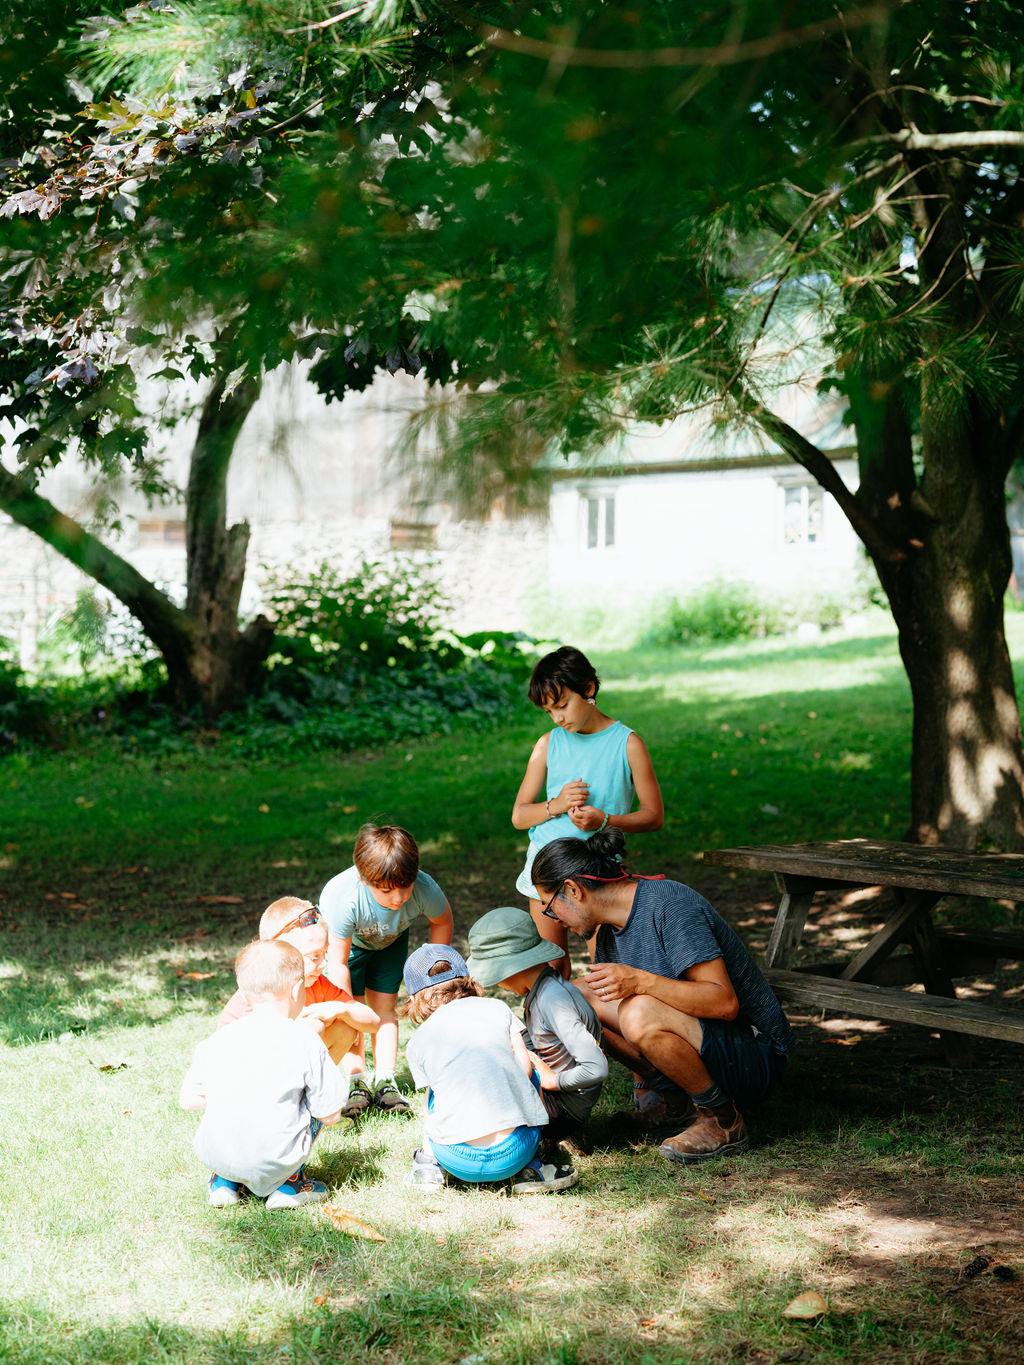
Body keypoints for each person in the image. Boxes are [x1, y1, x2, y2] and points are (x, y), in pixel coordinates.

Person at [532, 829, 797, 1164]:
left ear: (573, 890)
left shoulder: (670, 905)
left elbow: (724, 1003)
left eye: (551, 908)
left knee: (638, 1011)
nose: (554, 920)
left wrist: (641, 982)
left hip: (754, 1057)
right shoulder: (609, 933)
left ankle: (722, 1120)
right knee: (576, 996)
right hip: (708, 1047)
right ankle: (679, 1106)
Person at [511, 645, 664, 977]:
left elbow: (653, 816)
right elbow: (520, 816)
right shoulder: (548, 744)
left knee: (607, 970)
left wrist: (605, 820)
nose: (558, 718)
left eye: (562, 705)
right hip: (545, 872)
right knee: (551, 970)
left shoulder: (628, 744)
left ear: (589, 689)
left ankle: (604, 1030)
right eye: (549, 711)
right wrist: (557, 805)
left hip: (597, 875)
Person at [180, 939, 349, 1208]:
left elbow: (189, 1100)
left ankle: (224, 1182)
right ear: (297, 989)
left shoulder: (219, 1039)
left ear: (245, 994)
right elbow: (330, 1114)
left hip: (217, 1154)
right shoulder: (304, 1040)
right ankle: (290, 1185)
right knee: (316, 1104)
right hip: (278, 1158)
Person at [400, 943, 578, 1193]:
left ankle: (428, 1167)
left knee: (434, 1094)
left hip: (455, 1158)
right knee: (533, 1069)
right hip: (514, 1153)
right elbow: (525, 1070)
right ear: (467, 981)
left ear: (413, 998)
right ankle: (534, 1168)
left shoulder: (418, 1040)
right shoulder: (497, 1008)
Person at [321, 824, 454, 1115]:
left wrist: (435, 973)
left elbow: (442, 921)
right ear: (363, 879)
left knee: (385, 1008)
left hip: (390, 944)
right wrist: (346, 1007)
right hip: (348, 951)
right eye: (385, 891)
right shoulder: (344, 899)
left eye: (404, 888)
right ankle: (356, 1080)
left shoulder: (423, 888)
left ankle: (385, 1080)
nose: (397, 898)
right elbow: (338, 961)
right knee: (354, 1010)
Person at [217, 896, 381, 1117]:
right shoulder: (257, 992)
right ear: (280, 954)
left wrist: (340, 1008)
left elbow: (373, 1023)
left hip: (283, 1072)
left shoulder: (319, 984)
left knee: (347, 1027)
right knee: (313, 1029)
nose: (323, 964)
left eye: (325, 953)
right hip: (247, 1085)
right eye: (314, 957)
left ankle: (305, 1101)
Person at [466, 906, 607, 1154]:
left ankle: (547, 1139)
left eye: (496, 975)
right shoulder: (541, 990)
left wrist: (554, 1081)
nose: (499, 983)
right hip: (557, 1101)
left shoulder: (553, 1000)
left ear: (510, 967)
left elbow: (596, 1067)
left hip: (563, 1110)